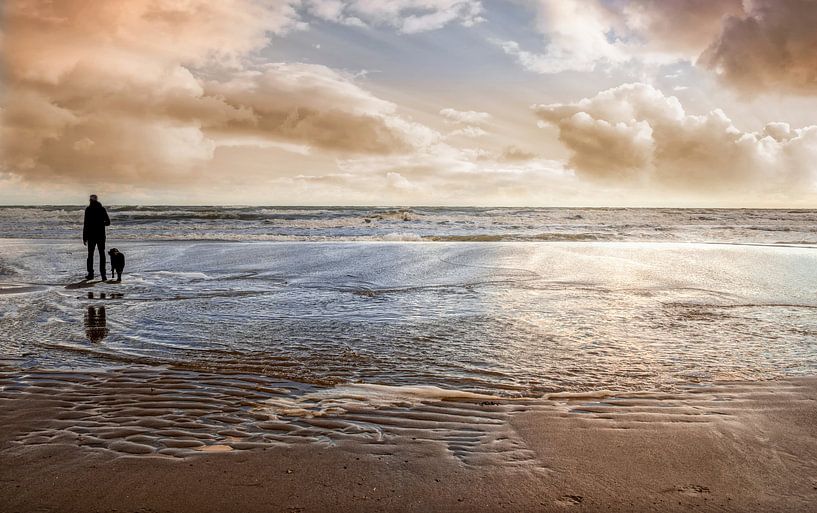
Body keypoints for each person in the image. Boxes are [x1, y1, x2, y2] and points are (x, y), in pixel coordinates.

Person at [83, 194, 111, 281]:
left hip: (91, 236)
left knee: (90, 255)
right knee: (102, 254)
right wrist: (101, 224)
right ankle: (103, 275)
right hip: (101, 235)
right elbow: (108, 222)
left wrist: (84, 237)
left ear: (90, 200)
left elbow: (86, 224)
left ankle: (91, 274)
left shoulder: (88, 209)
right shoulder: (102, 209)